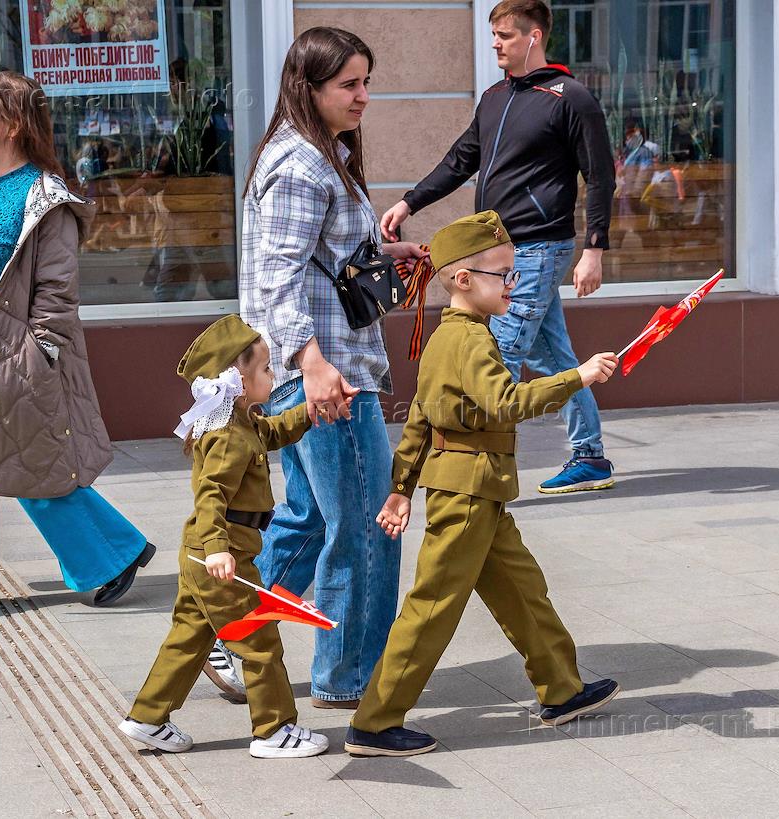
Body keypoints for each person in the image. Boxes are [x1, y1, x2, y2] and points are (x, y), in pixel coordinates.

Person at [345, 212, 621, 756]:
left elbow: (420, 417)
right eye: (502, 274)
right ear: (464, 280)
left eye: (512, 272)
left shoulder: (452, 337)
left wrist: (402, 487)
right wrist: (578, 376)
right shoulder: (469, 341)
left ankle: (562, 689)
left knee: (522, 590)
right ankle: (375, 722)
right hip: (467, 495)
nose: (512, 284)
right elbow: (505, 402)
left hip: (479, 492)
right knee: (432, 606)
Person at [212, 26, 426, 709]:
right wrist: (312, 364)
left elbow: (316, 261)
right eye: (348, 84)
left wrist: (386, 257)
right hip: (326, 377)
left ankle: (233, 637)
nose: (363, 97)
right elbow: (277, 279)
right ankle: (352, 677)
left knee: (307, 520)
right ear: (307, 88)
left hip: (315, 370)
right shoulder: (302, 165)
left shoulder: (319, 152)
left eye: (366, 82)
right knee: (366, 524)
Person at [0, 71, 154, 617]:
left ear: (15, 124)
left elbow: (57, 292)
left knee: (25, 466)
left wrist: (37, 353)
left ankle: (112, 553)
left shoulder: (45, 199)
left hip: (6, 359)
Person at [380, 0, 618, 495]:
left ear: (534, 37)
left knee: (497, 357)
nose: (495, 44)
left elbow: (600, 177)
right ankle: (590, 455)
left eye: (505, 35)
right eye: (493, 34)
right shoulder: (494, 97)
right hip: (501, 252)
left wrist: (594, 249)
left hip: (539, 247)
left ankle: (476, 473)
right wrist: (409, 202)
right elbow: (459, 160)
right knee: (554, 359)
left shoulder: (570, 98)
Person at [118, 315, 331, 759]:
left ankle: (148, 717)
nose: (272, 376)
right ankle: (274, 730)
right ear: (239, 380)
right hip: (220, 555)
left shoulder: (241, 423)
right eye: (266, 369)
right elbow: (210, 495)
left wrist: (308, 412)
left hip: (208, 554)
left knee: (190, 637)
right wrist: (218, 550)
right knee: (258, 640)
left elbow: (271, 433)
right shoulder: (227, 435)